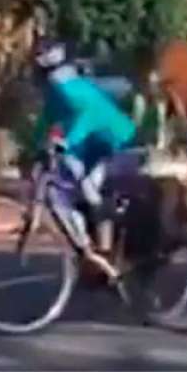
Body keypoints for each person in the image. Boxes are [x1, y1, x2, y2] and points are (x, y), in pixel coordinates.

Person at [31, 38, 136, 263]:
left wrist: (67, 141)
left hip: (112, 138)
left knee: (88, 187)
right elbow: (47, 120)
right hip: (90, 142)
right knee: (74, 185)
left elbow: (86, 113)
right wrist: (33, 146)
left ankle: (105, 251)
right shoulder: (55, 87)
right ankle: (91, 248)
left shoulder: (64, 84)